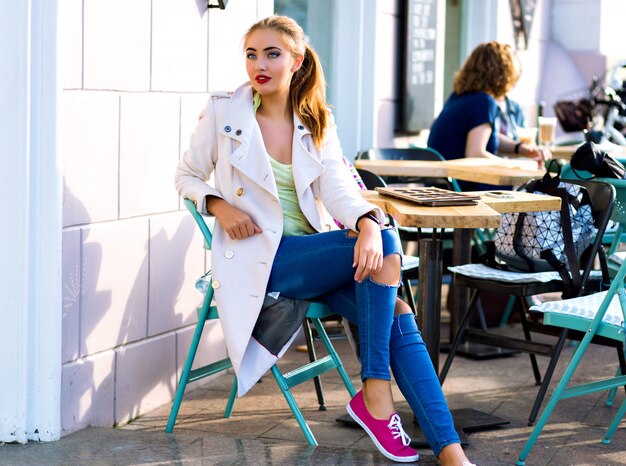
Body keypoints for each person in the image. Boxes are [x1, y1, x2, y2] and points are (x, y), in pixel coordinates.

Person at [175, 15, 475, 466]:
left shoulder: (315, 120)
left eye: (272, 54)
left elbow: (338, 190)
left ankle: (449, 451)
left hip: (314, 256)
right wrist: (220, 205)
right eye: (252, 54)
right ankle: (375, 397)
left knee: (396, 310)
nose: (260, 63)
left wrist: (367, 223)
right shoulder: (224, 112)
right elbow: (186, 176)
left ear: (296, 61)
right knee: (389, 252)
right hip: (263, 258)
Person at [427, 41, 549, 169]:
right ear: (504, 75)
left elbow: (487, 136)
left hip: (445, 181)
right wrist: (516, 165)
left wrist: (519, 148)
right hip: (466, 185)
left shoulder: (459, 98)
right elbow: (475, 154)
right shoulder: (483, 101)